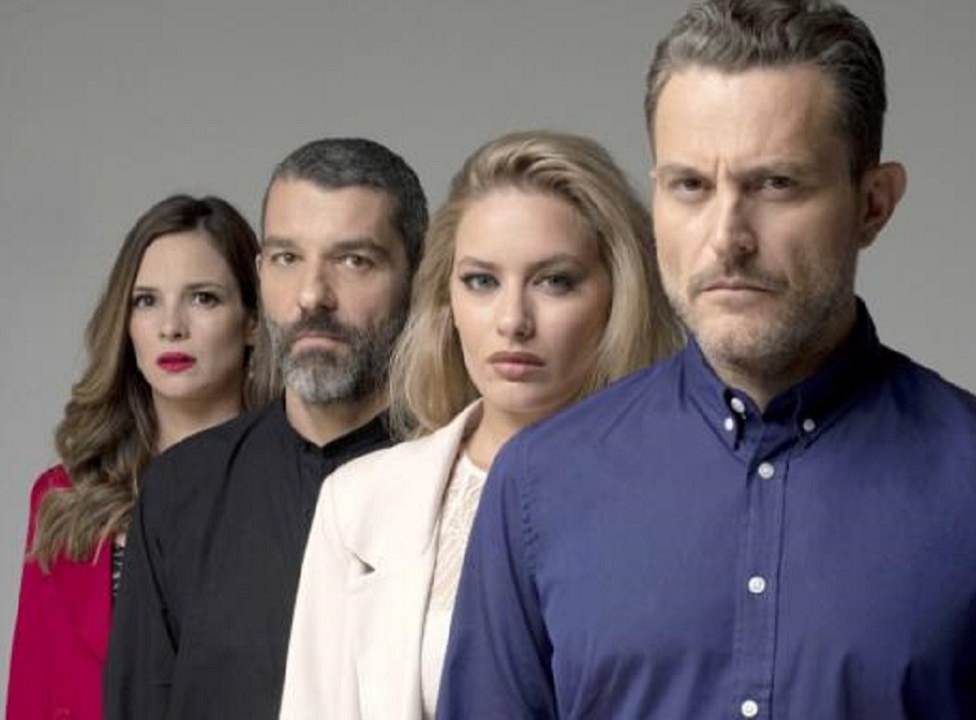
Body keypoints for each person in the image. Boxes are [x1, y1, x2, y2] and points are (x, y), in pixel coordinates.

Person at [438, 1, 976, 718]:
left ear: (874, 204)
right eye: (691, 186)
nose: (727, 238)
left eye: (775, 184)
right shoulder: (538, 486)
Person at [278, 130, 680, 720]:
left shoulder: (684, 494)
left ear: (619, 296)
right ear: (447, 300)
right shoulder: (357, 502)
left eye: (554, 280)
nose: (513, 320)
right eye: (482, 281)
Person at [103, 138, 428, 720]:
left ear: (419, 277)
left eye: (354, 260)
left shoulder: (466, 486)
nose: (312, 296)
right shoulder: (180, 490)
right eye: (286, 258)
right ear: (259, 276)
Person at [6, 194, 260, 720]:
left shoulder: (299, 488)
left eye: (203, 298)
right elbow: (32, 696)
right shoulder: (65, 500)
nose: (171, 326)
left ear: (253, 320)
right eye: (146, 301)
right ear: (125, 323)